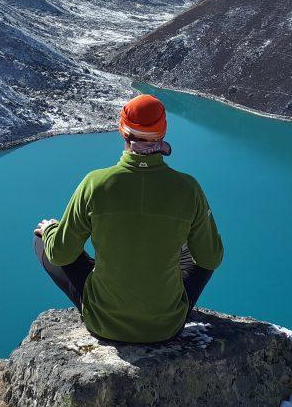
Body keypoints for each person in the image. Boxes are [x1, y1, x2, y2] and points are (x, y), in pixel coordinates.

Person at [33, 93, 223, 343]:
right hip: (166, 325)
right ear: (162, 132)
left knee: (43, 241)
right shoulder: (188, 188)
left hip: (104, 323)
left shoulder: (95, 183)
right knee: (194, 248)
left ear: (123, 131)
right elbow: (211, 257)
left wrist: (50, 230)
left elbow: (60, 254)